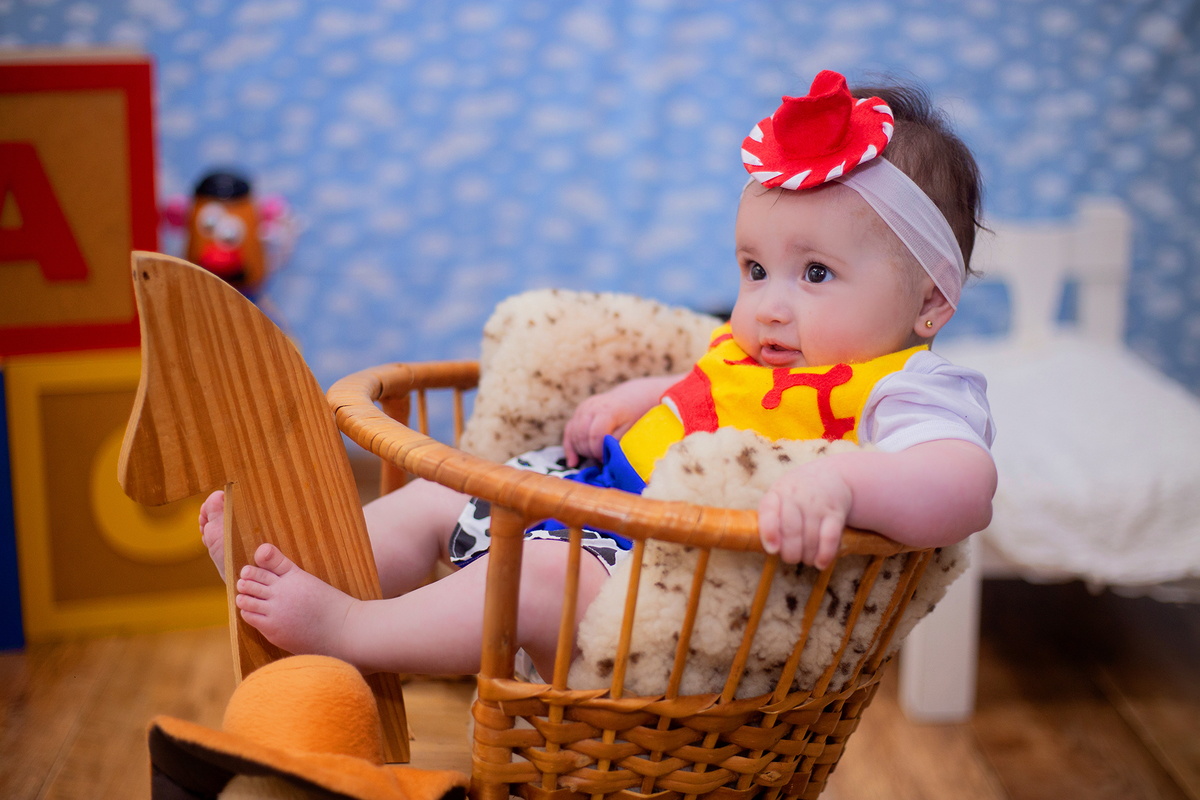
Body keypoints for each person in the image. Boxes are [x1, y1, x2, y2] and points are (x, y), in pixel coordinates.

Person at [200, 70, 996, 680]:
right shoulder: (758, 347)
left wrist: (849, 485)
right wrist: (639, 398)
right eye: (755, 269)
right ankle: (301, 559)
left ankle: (351, 634)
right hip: (597, 494)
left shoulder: (903, 387)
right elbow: (707, 393)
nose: (769, 308)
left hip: (657, 588)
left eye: (816, 274)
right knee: (441, 494)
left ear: (930, 302)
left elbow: (965, 483)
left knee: (542, 578)